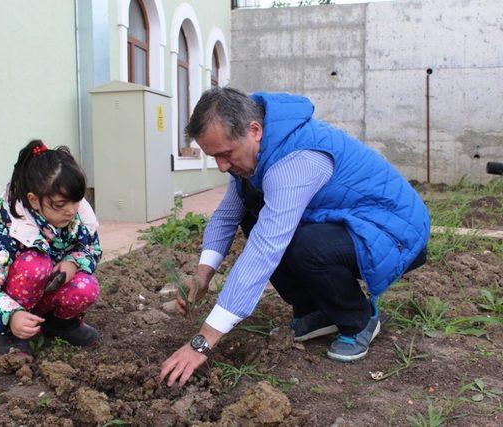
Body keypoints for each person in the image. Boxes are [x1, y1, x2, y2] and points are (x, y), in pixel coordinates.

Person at [160, 87, 429, 387]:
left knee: (306, 247)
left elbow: (265, 249)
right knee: (254, 211)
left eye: (225, 155)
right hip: (347, 221)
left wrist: (204, 340)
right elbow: (226, 217)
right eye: (214, 158)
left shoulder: (296, 160)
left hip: (394, 230)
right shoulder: (254, 158)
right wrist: (201, 277)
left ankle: (359, 319)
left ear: (255, 130)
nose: (223, 166)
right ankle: (320, 313)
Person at [0, 140, 102, 357]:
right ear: (34, 200)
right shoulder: (6, 230)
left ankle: (59, 325)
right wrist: (11, 315)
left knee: (86, 286)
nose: (71, 211)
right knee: (35, 264)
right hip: (14, 301)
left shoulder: (78, 217)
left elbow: (91, 248)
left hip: (47, 295)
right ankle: (12, 334)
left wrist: (74, 261)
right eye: (60, 205)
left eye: (76, 201)